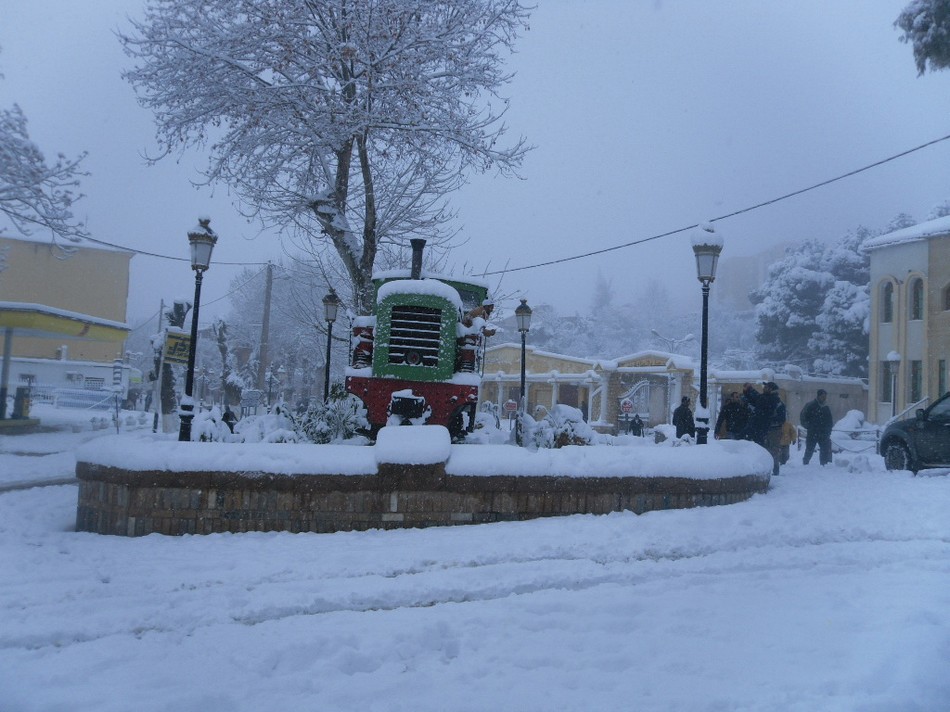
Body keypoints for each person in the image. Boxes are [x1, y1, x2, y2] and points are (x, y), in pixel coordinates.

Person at [742, 381, 786, 476]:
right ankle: (767, 470)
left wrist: (750, 390)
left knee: (771, 450)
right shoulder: (767, 398)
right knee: (764, 450)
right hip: (763, 428)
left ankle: (773, 471)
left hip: (772, 430)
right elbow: (757, 399)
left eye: (766, 387)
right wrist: (748, 392)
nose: (764, 388)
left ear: (771, 389)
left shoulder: (772, 399)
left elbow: (759, 399)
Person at [800, 388, 833, 466]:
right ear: (818, 396)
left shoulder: (826, 407)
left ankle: (823, 465)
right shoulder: (810, 405)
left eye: (825, 396)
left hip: (824, 433)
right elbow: (803, 417)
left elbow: (829, 421)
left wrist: (828, 431)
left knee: (824, 450)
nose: (824, 398)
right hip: (812, 432)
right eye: (822, 396)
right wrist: (808, 426)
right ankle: (805, 463)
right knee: (809, 449)